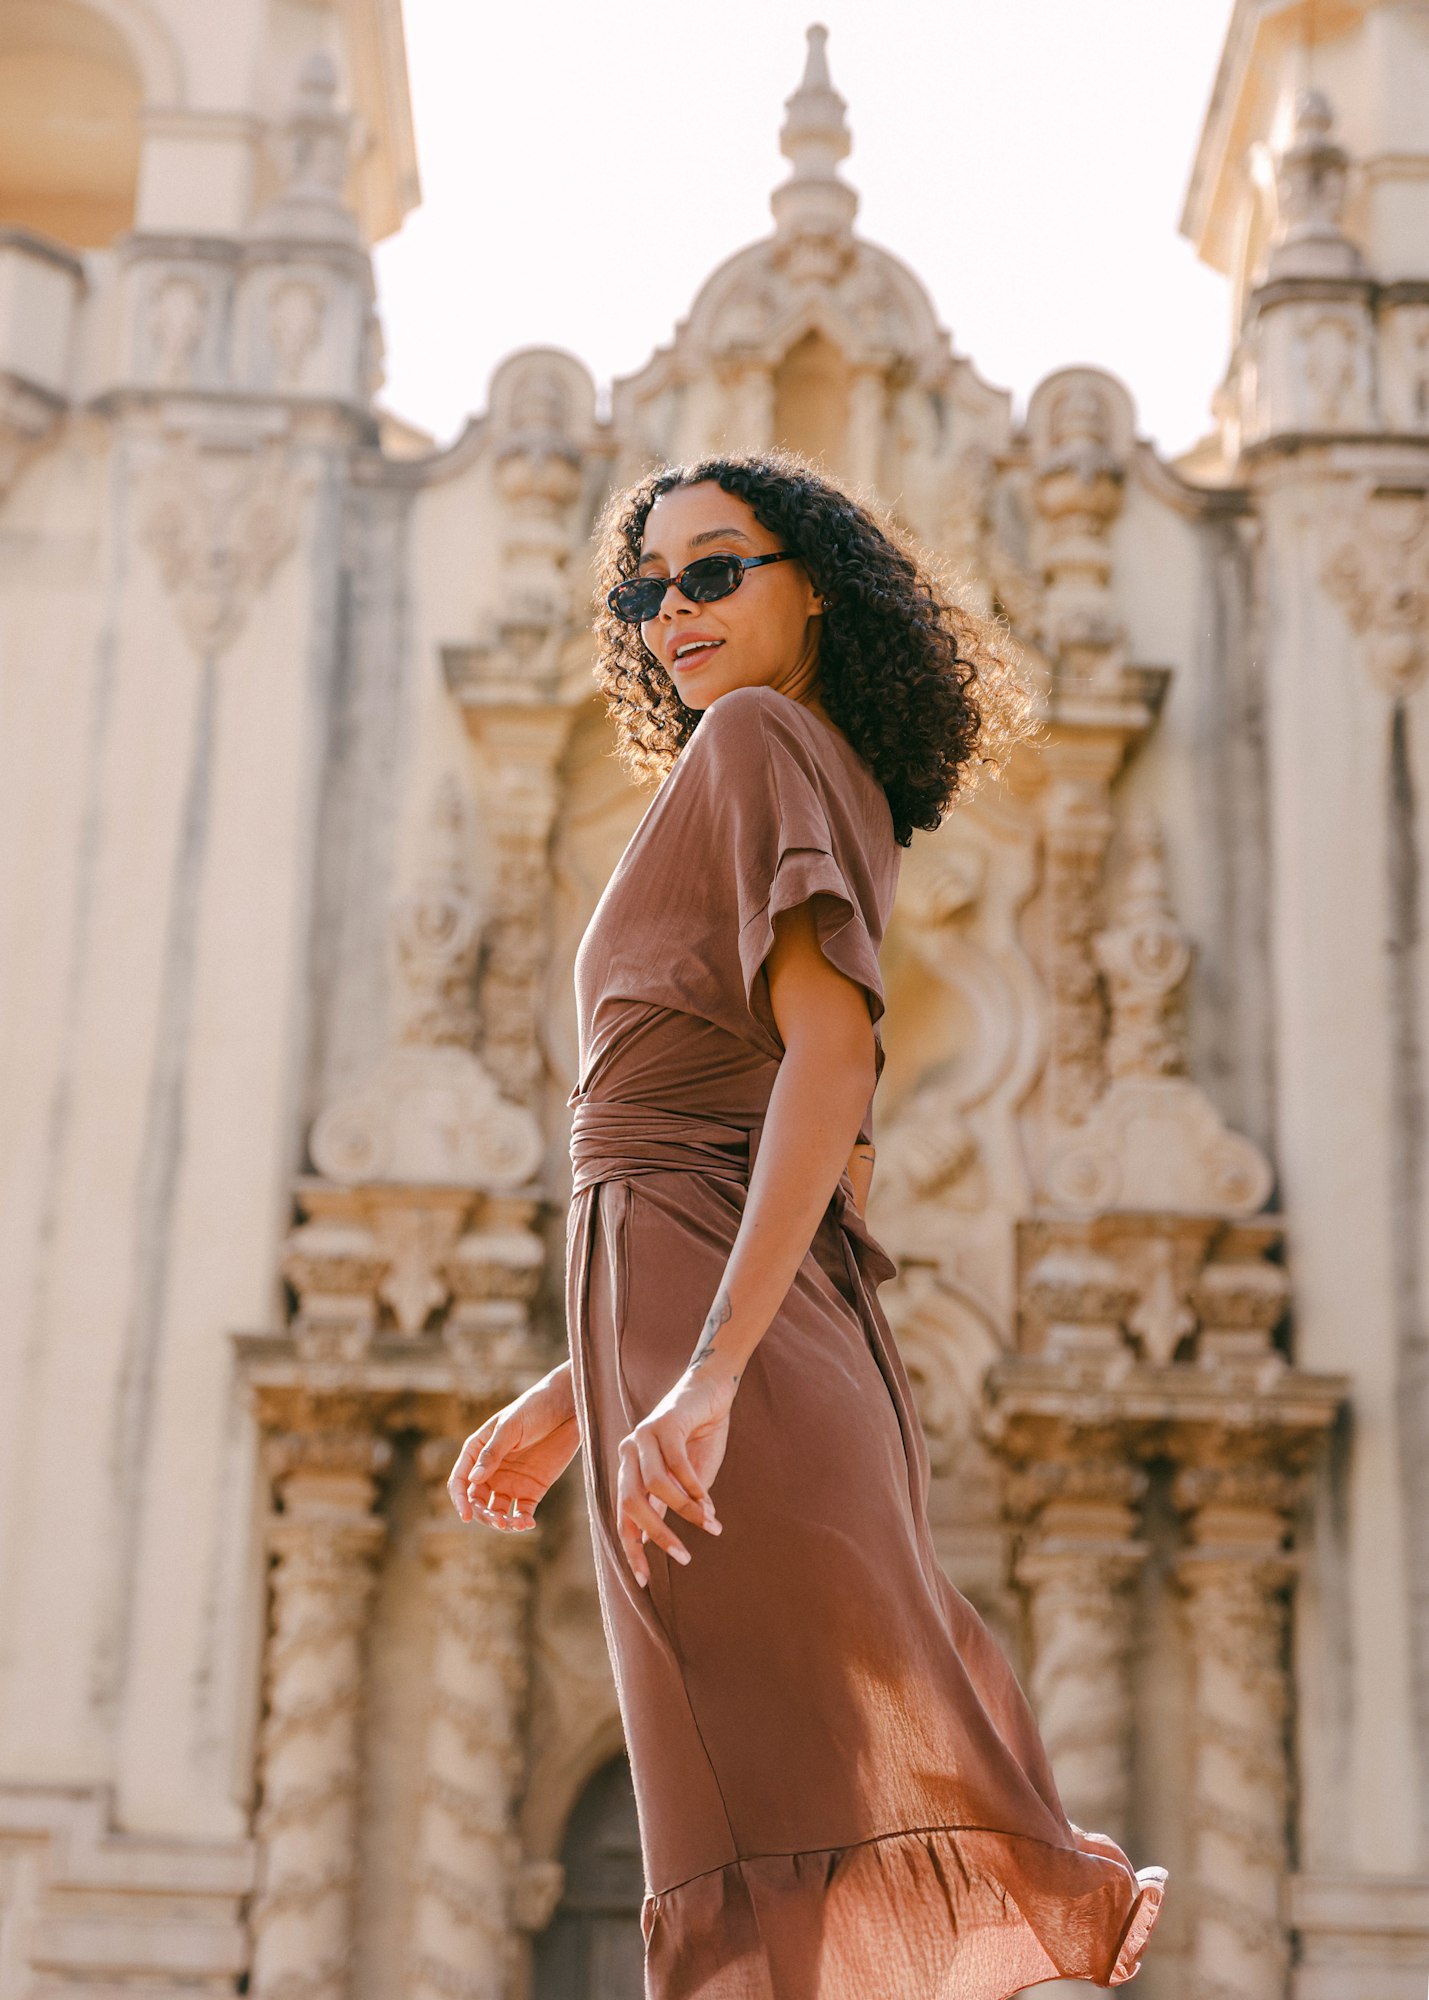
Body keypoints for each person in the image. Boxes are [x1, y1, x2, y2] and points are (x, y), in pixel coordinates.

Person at [447, 451, 1168, 1998]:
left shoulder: (763, 741)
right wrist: (592, 1382)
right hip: (709, 1344)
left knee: (761, 1827)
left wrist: (693, 1381)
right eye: (645, 588)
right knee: (782, 1818)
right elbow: (801, 1143)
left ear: (812, 581)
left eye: (714, 572)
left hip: (720, 1371)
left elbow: (830, 1077)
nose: (671, 614)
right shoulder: (806, 771)